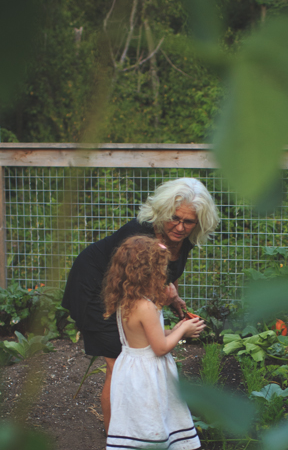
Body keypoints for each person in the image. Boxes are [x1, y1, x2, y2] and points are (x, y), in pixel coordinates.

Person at [62, 177, 219, 430]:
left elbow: (169, 273)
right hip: (95, 286)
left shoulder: (184, 239)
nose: (180, 227)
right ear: (162, 212)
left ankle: (134, 429)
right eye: (174, 218)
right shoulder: (139, 235)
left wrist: (174, 297)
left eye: (188, 221)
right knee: (119, 366)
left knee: (130, 362)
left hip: (128, 292)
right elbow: (129, 289)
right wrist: (162, 303)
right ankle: (116, 438)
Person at [101, 236, 205, 450]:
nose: (164, 275)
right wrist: (183, 330)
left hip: (131, 368)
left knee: (137, 418)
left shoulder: (128, 300)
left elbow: (147, 337)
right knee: (151, 416)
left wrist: (175, 329)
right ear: (148, 272)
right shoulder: (146, 307)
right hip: (147, 374)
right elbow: (159, 347)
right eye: (161, 269)